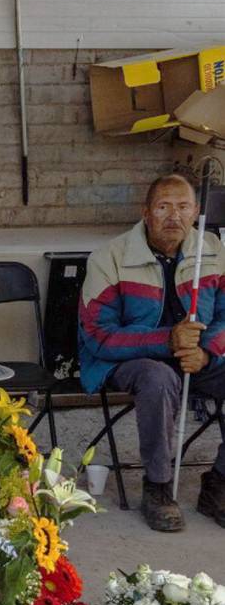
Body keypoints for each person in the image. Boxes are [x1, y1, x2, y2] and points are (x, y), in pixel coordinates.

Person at [79, 173, 225, 532]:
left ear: (196, 212)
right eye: (163, 207)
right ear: (146, 212)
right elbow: (98, 335)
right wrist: (167, 341)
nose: (173, 216)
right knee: (158, 379)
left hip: (195, 354)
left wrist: (207, 353)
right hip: (130, 360)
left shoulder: (211, 250)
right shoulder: (109, 258)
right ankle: (158, 487)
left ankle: (219, 484)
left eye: (183, 207)